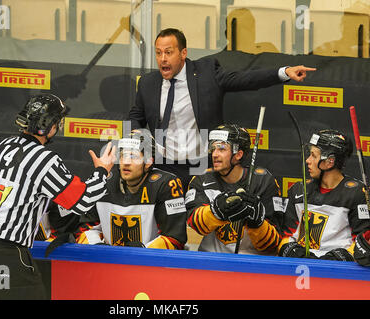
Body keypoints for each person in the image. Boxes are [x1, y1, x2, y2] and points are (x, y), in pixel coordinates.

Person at [0, 93, 116, 300]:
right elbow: (81, 201)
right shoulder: (43, 159)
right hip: (6, 255)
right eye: (57, 123)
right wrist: (102, 171)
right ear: (49, 126)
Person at [129, 28, 316, 191]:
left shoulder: (206, 73)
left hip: (201, 164)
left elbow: (245, 79)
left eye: (168, 52)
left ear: (183, 53)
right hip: (164, 165)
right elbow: (136, 116)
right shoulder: (148, 83)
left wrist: (283, 72)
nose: (162, 59)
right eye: (158, 53)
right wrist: (141, 143)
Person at [74, 129, 187, 249]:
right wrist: (97, 248)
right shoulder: (103, 182)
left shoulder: (167, 184)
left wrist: (140, 253)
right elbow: (84, 229)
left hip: (149, 264)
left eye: (133, 156)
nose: (126, 162)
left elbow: (174, 238)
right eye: (123, 156)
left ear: (148, 161)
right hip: (107, 262)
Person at [185, 124, 283, 254]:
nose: (214, 154)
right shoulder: (201, 179)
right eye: (213, 149)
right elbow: (193, 223)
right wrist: (215, 212)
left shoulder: (264, 181)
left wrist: (258, 224)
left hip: (251, 264)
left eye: (221, 149)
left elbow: (273, 244)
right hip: (212, 261)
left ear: (238, 154)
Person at [278, 129, 370, 265]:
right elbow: (285, 237)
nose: (308, 161)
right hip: (299, 267)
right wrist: (290, 250)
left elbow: (363, 242)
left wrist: (341, 257)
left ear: (329, 162)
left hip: (340, 272)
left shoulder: (357, 193)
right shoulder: (298, 190)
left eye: (314, 156)